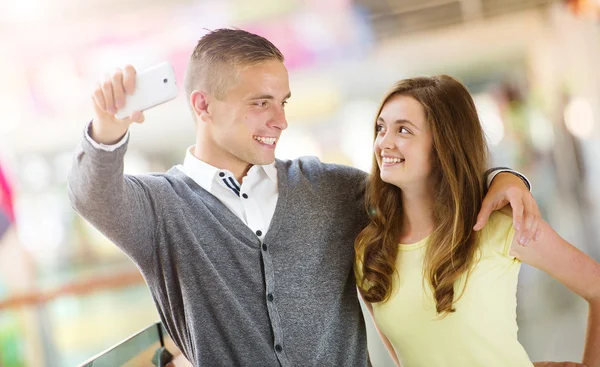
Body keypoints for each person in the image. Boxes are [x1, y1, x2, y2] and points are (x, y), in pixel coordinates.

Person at [68, 29, 539, 366]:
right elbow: (94, 197)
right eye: (260, 103)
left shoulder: (330, 188)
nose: (280, 120)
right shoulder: (160, 209)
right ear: (203, 106)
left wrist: (504, 176)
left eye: (283, 101)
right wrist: (107, 129)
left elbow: (427, 178)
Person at [354, 75, 600, 367]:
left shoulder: (501, 226)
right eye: (381, 128)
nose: (384, 142)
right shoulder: (371, 252)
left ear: (445, 144)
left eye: (404, 130)